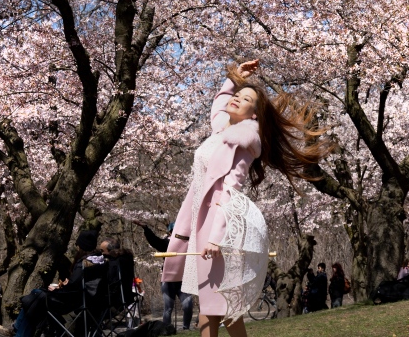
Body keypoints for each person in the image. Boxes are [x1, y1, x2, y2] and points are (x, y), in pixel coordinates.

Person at [161, 60, 328, 337]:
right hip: (202, 225)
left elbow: (230, 190)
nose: (237, 99)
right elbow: (220, 102)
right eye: (238, 96)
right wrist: (236, 78)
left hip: (218, 227)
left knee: (214, 307)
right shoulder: (222, 129)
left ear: (254, 114)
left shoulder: (242, 140)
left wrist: (216, 238)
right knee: (222, 310)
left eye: (246, 99)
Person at [0, 230, 104, 337]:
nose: (77, 248)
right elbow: (78, 285)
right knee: (36, 297)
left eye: (79, 245)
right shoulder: (99, 263)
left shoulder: (83, 265)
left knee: (36, 296)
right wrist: (67, 284)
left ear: (83, 247)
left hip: (71, 303)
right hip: (83, 300)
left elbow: (71, 288)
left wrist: (57, 289)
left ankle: (16, 330)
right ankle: (16, 330)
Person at [132, 220, 193, 330]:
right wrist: (146, 228)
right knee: (168, 308)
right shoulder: (166, 244)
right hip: (168, 280)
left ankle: (186, 328)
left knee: (188, 305)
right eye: (173, 231)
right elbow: (155, 241)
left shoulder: (189, 244)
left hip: (183, 279)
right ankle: (166, 329)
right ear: (170, 232)